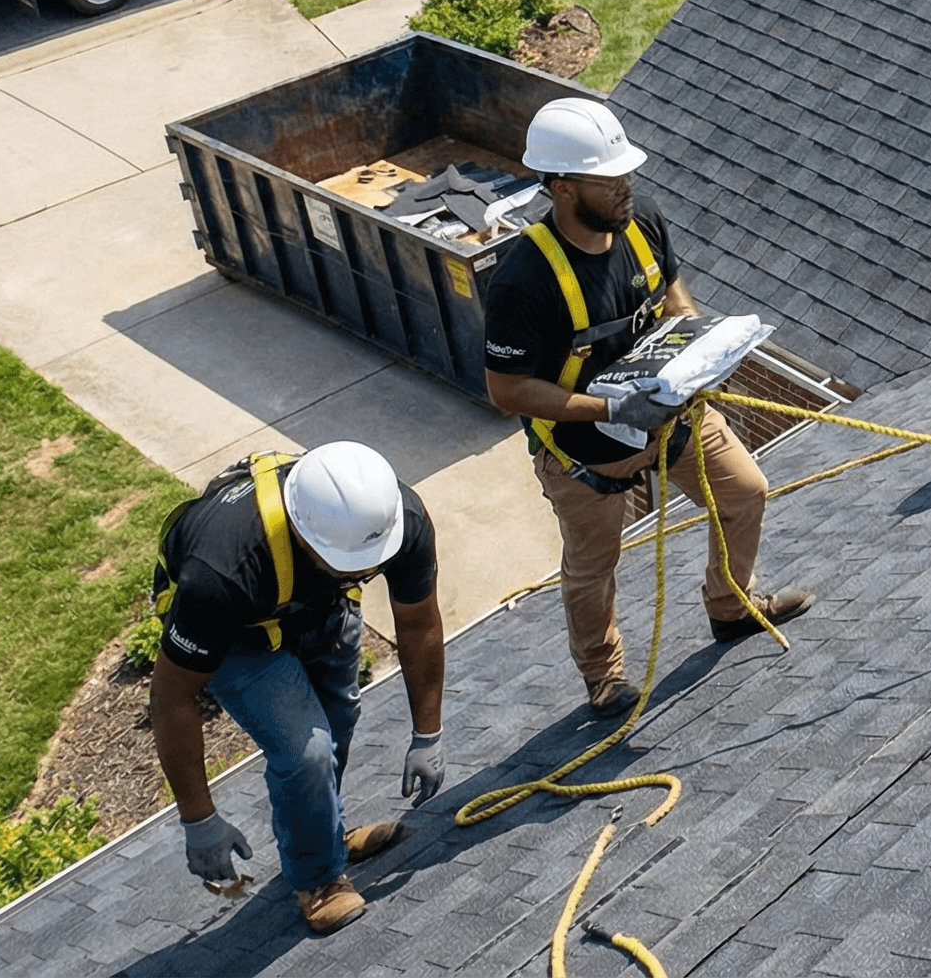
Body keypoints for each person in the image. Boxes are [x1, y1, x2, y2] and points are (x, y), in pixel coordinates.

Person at [483, 97, 812, 718]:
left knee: (745, 493)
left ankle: (730, 605)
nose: (625, 187)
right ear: (560, 187)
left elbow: (673, 298)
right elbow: (509, 390)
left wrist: (694, 350)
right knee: (592, 568)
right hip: (583, 451)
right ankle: (604, 678)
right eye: (608, 179)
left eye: (625, 172)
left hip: (672, 415)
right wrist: (609, 411)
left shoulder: (643, 221)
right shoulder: (525, 280)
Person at [147, 442, 445, 935]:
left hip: (316, 606)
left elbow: (417, 624)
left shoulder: (397, 517)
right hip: (238, 633)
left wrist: (428, 733)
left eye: (367, 564)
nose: (361, 572)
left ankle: (325, 835)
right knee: (305, 749)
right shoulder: (222, 568)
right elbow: (171, 698)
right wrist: (198, 819)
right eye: (349, 563)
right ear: (303, 533)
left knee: (337, 723)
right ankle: (318, 879)